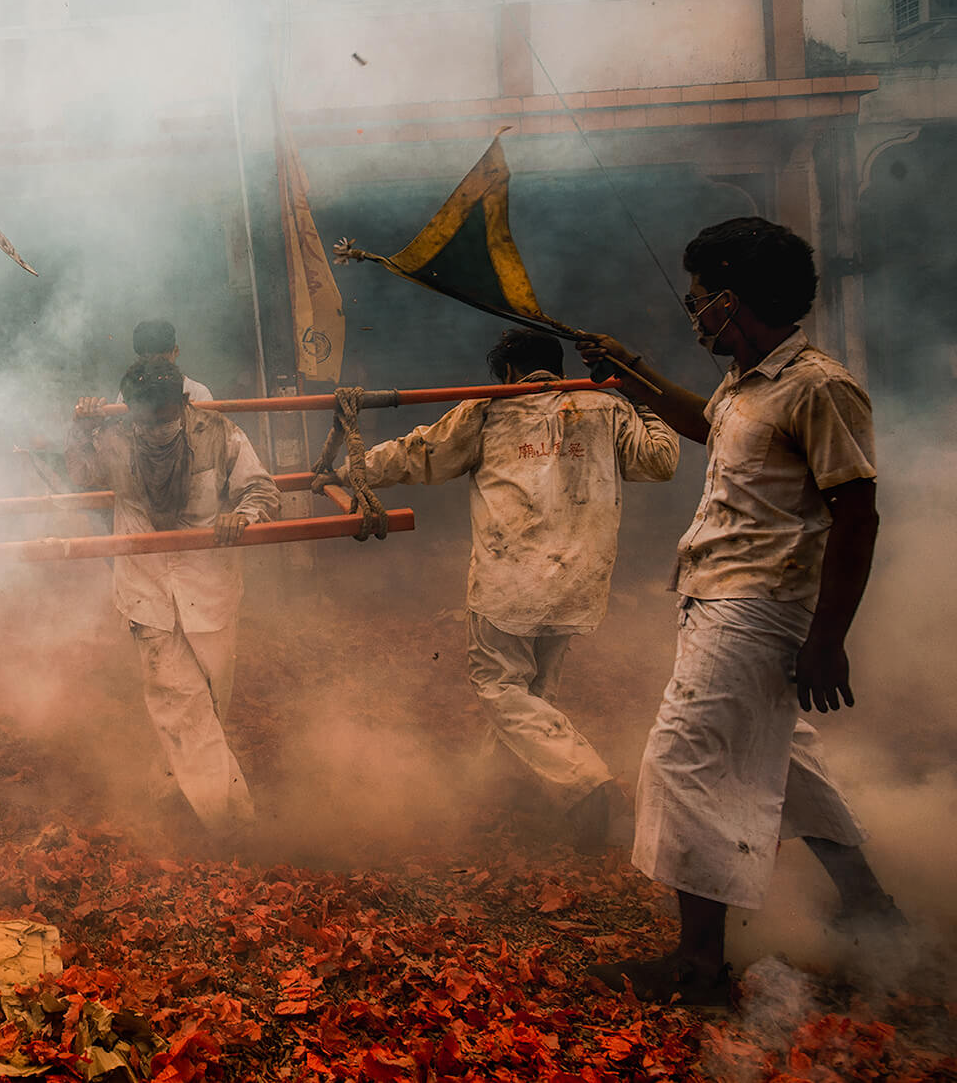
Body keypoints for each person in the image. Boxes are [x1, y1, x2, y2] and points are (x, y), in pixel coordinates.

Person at [578, 217, 899, 1007]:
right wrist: (633, 374)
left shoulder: (818, 385)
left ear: (729, 299)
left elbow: (856, 515)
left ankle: (698, 966)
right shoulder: (749, 384)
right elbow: (708, 424)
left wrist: (830, 639)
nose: (693, 315)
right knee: (789, 764)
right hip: (726, 599)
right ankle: (871, 910)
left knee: (685, 764)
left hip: (755, 607)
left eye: (698, 300)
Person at [338, 328, 679, 850]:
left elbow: (420, 453)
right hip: (579, 580)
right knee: (537, 691)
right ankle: (503, 790)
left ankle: (589, 784)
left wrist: (346, 471)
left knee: (500, 688)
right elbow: (660, 460)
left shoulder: (490, 409)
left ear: (510, 373)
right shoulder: (606, 408)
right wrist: (641, 399)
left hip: (510, 580)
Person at [70, 358, 279, 839]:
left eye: (164, 415)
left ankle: (166, 793)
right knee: (178, 700)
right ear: (130, 411)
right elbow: (80, 476)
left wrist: (242, 516)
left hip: (211, 589)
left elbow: (261, 489)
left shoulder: (218, 432)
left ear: (184, 404)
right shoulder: (115, 436)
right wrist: (81, 427)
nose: (155, 427)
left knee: (207, 701)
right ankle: (232, 823)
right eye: (143, 417)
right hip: (147, 592)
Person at [116, 319, 213, 404]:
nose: (155, 366)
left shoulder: (198, 394)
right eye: (147, 360)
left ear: (175, 351)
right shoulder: (130, 392)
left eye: (161, 360)